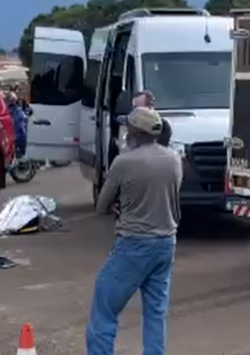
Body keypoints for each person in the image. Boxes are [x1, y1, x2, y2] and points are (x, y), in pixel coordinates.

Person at [87, 107, 183, 355]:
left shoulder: (124, 162)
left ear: (135, 133)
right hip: (166, 243)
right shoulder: (173, 158)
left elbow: (101, 206)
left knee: (104, 307)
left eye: (128, 128)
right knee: (155, 312)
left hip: (134, 244)